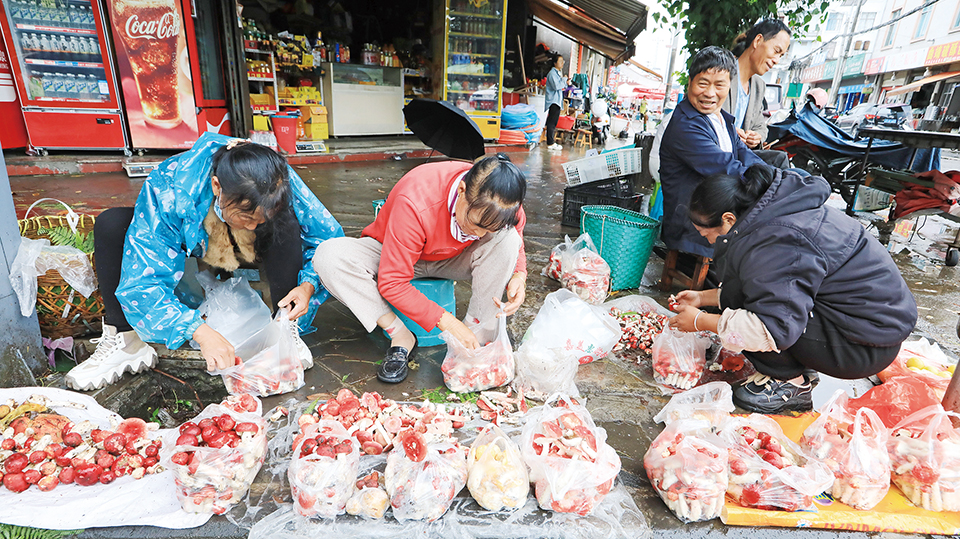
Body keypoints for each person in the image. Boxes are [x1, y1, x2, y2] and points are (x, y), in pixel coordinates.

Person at [65, 133, 344, 391]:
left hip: (255, 250)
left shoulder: (275, 178)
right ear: (216, 186)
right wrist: (197, 330)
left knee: (289, 226)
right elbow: (143, 280)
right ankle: (125, 340)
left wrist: (308, 283)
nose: (253, 225)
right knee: (111, 224)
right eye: (246, 216)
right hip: (197, 247)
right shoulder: (172, 185)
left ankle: (285, 328)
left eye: (260, 218)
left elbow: (326, 236)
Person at [668, 165, 917, 414]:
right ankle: (799, 366)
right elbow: (760, 286)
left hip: (865, 345)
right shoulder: (773, 213)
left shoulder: (779, 239)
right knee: (750, 301)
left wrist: (700, 321)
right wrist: (702, 297)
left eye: (706, 234)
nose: (709, 242)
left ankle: (790, 385)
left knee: (759, 324)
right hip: (859, 321)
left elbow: (772, 328)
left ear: (728, 219)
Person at [313, 155, 527, 384]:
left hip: (452, 259)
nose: (479, 234)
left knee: (508, 240)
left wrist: (519, 274)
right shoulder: (416, 198)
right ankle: (401, 336)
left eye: (488, 229)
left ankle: (476, 338)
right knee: (329, 257)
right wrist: (448, 322)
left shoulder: (504, 204)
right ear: (462, 190)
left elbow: (516, 235)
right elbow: (392, 282)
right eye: (474, 223)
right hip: (393, 253)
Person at [659, 46, 765, 260]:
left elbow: (744, 154)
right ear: (689, 83)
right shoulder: (685, 125)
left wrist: (773, 175)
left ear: (729, 86)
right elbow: (726, 167)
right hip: (693, 225)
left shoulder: (721, 119)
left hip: (717, 211)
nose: (709, 93)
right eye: (703, 83)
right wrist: (769, 183)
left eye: (719, 85)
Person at [723, 19, 793, 169]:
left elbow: (761, 126)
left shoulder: (758, 86)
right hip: (719, 156)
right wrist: (730, 131)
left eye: (781, 56)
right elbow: (706, 115)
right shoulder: (722, 73)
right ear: (758, 40)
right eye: (776, 51)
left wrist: (756, 137)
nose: (776, 61)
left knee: (798, 175)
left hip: (740, 157)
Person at [544, 52, 565, 151]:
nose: (562, 63)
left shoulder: (557, 73)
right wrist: (564, 80)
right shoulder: (552, 74)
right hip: (553, 101)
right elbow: (557, 86)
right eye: (560, 61)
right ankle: (550, 143)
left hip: (556, 101)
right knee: (552, 123)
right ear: (555, 63)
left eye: (563, 61)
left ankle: (551, 141)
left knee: (553, 122)